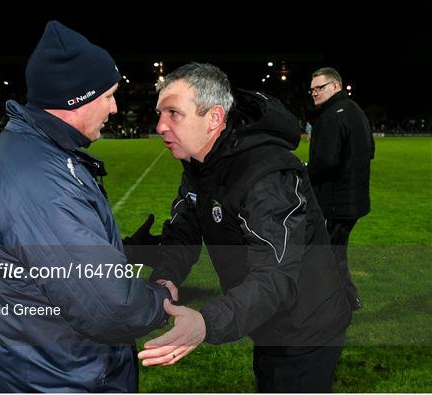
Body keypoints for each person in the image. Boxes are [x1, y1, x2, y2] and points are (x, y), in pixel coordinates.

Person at [0, 21, 172, 392]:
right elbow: (110, 307)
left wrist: (124, 248)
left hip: (43, 369)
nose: (114, 108)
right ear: (76, 99)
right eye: (108, 96)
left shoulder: (26, 152)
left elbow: (51, 259)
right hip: (62, 378)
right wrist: (163, 298)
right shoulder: (38, 178)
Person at [137, 63, 352, 393]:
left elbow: (276, 276)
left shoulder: (266, 173)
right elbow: (184, 228)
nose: (160, 125)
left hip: (307, 328)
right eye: (159, 112)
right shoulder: (200, 162)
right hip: (269, 321)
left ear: (214, 118)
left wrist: (207, 323)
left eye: (173, 113)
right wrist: (167, 276)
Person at [307, 67, 375, 310]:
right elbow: (371, 151)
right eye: (312, 89)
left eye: (320, 87)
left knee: (329, 254)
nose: (314, 93)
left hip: (336, 201)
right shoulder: (355, 110)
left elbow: (325, 162)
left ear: (335, 86)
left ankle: (342, 301)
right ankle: (346, 300)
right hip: (354, 199)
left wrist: (306, 170)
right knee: (334, 252)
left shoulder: (331, 115)